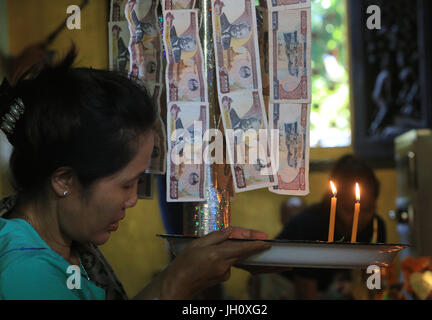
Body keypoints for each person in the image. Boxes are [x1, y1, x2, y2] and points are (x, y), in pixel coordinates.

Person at [0, 47, 272, 300]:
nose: (132, 200)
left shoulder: (66, 245)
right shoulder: (24, 274)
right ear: (64, 180)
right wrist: (178, 281)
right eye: (127, 184)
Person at [276, 154, 387, 299]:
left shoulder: (375, 226)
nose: (358, 218)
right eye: (348, 209)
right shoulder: (310, 224)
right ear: (333, 202)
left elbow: (373, 282)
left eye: (367, 210)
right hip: (282, 284)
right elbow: (305, 289)